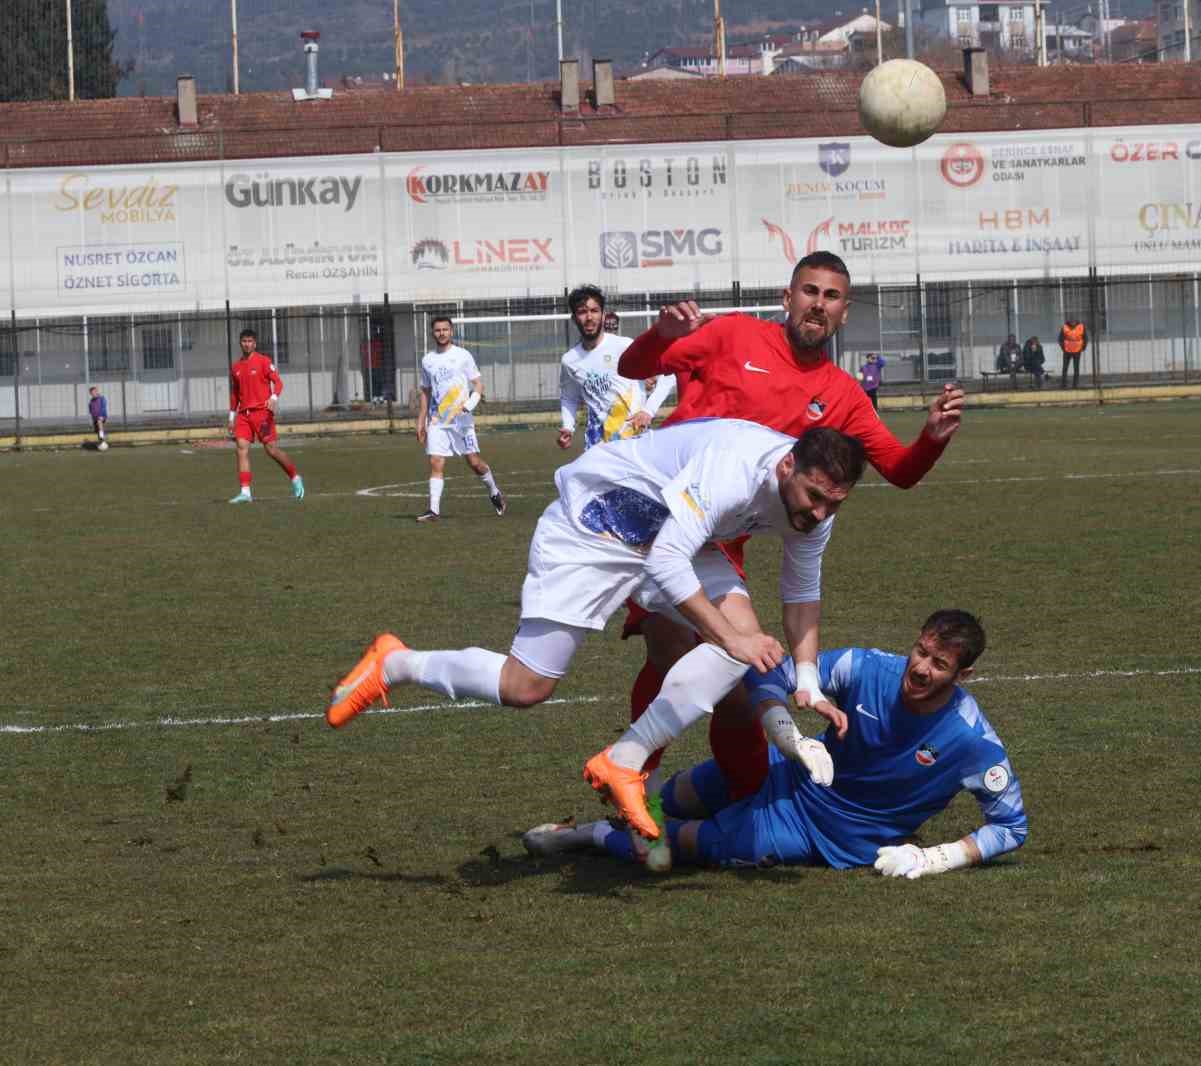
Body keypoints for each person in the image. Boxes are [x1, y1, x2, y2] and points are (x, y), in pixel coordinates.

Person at [325, 421, 868, 841]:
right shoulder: (733, 469)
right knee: (525, 686)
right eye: (813, 497)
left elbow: (801, 590)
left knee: (742, 642)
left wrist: (807, 679)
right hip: (601, 517)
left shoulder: (817, 510)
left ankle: (624, 761)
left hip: (669, 534)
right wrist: (731, 637)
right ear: (787, 466)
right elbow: (666, 565)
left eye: (832, 504)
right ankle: (395, 662)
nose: (818, 513)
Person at [613, 250, 964, 806]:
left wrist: (931, 439)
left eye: (831, 297)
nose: (817, 304)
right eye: (809, 291)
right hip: (664, 514)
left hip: (727, 540)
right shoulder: (732, 336)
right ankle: (635, 777)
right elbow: (633, 368)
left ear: (844, 312)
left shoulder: (842, 395)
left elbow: (897, 471)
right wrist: (660, 334)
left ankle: (744, 791)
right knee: (670, 643)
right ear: (787, 297)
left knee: (733, 682)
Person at [523, 609, 1028, 878]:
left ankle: (588, 836)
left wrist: (933, 858)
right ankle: (629, 816)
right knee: (676, 796)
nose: (920, 668)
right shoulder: (867, 667)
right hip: (786, 770)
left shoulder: (971, 741)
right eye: (920, 651)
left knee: (694, 843)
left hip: (823, 834)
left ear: (964, 674)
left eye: (939, 665)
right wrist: (793, 737)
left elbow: (1011, 827)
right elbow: (770, 677)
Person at [557, 285, 673, 451]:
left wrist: (648, 411)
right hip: (597, 444)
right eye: (582, 312)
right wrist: (568, 427)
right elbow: (569, 396)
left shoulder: (625, 346)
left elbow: (668, 375)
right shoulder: (570, 360)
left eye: (594, 310)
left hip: (634, 441)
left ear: (603, 315)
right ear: (574, 318)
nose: (589, 317)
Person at [414, 315, 504, 522]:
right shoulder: (427, 360)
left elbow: (479, 385)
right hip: (437, 421)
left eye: (445, 329)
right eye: (437, 330)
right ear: (432, 333)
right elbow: (426, 392)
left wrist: (470, 405)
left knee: (474, 463)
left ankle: (493, 491)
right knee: (436, 461)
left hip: (461, 421)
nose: (442, 333)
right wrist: (421, 420)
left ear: (451, 331)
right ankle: (433, 510)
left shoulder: (463, 355)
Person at [227, 329, 304, 503]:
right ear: (240, 343)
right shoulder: (236, 367)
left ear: (255, 343)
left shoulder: (263, 361)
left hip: (262, 413)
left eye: (250, 341)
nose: (247, 344)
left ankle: (295, 477)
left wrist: (273, 398)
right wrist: (232, 417)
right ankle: (245, 492)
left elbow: (278, 382)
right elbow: (234, 394)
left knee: (271, 450)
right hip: (243, 415)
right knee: (241, 449)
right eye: (244, 341)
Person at [1059, 318, 1085, 389]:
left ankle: (1075, 385)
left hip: (1077, 351)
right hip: (1067, 351)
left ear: (1076, 322)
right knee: (1065, 368)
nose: (1072, 323)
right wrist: (1063, 348)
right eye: (1071, 321)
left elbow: (1085, 338)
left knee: (1076, 368)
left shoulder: (1081, 327)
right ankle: (1064, 384)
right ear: (1069, 322)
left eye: (1074, 321)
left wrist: (1082, 348)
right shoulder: (1065, 327)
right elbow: (1060, 339)